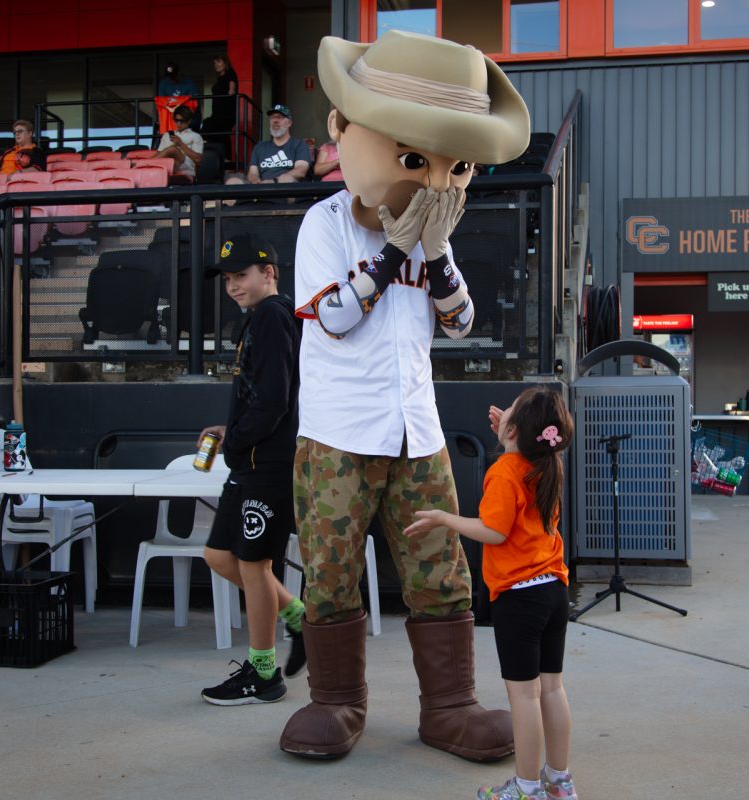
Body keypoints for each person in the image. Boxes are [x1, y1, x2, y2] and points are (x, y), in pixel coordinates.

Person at [278, 31, 529, 762]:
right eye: (415, 159)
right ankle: (336, 702)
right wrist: (395, 248)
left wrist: (436, 250)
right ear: (341, 131)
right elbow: (333, 317)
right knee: (330, 568)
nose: (431, 181)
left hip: (417, 429)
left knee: (440, 569)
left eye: (451, 165)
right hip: (337, 433)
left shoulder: (433, 239)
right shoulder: (321, 225)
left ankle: (449, 705)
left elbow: (461, 320)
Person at [407, 387, 578, 800]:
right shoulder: (547, 461)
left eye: (510, 415)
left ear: (516, 429)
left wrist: (444, 518)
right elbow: (529, 446)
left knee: (523, 695)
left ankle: (526, 788)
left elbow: (494, 531)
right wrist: (514, 431)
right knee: (552, 689)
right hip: (553, 589)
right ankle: (559, 782)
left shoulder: (505, 470)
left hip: (520, 597)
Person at [198, 232, 307, 705]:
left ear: (270, 273)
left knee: (254, 564)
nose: (233, 286)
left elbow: (275, 400)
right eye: (227, 279)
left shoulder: (271, 314)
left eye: (241, 275)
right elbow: (261, 395)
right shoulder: (261, 318)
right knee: (219, 556)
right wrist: (231, 429)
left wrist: (238, 440)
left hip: (269, 465)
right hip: (251, 461)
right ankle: (301, 616)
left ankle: (263, 674)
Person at [225, 105, 309, 185]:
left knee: (286, 179)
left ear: (289, 123)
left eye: (280, 117)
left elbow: (301, 170)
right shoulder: (260, 147)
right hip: (262, 187)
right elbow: (253, 173)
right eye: (272, 117)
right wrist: (256, 181)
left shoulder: (299, 145)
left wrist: (274, 181)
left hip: (286, 189)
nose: (275, 120)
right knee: (232, 181)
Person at [203, 54, 238, 160]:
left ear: (225, 63)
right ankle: (218, 157)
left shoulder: (230, 73)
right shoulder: (219, 78)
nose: (216, 65)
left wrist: (231, 90)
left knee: (209, 126)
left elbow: (232, 83)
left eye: (218, 62)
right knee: (219, 135)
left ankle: (225, 158)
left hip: (226, 113)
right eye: (214, 63)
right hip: (218, 113)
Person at [155, 106, 203, 183]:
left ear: (189, 121)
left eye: (182, 121)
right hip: (167, 167)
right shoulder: (167, 135)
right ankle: (145, 165)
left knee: (173, 150)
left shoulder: (196, 136)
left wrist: (180, 144)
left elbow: (198, 160)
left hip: (185, 168)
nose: (179, 123)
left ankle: (141, 164)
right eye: (177, 120)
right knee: (171, 150)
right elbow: (158, 155)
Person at [156, 61, 200, 134]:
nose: (172, 78)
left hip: (190, 122)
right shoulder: (164, 83)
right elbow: (161, 103)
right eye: (170, 76)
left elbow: (195, 102)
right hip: (170, 124)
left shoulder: (188, 82)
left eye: (174, 75)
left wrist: (178, 104)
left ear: (179, 73)